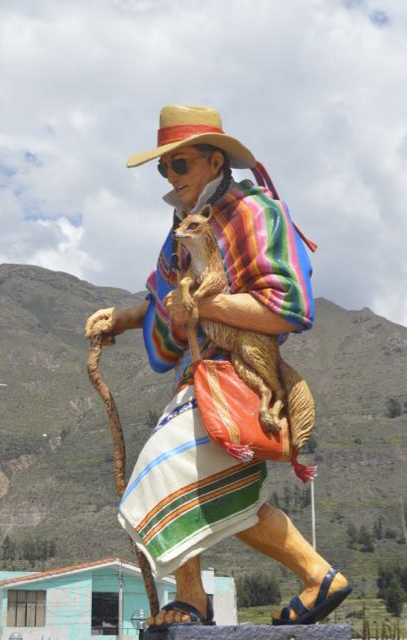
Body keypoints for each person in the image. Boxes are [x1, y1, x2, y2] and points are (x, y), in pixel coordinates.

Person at [85, 105, 351, 627]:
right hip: (202, 376)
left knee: (165, 475)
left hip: (241, 374)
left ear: (213, 160)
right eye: (164, 168)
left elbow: (290, 306)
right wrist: (127, 317)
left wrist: (204, 307)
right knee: (213, 491)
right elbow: (166, 299)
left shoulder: (255, 213)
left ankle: (197, 601)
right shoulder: (185, 228)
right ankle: (310, 578)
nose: (170, 176)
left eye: (179, 164)